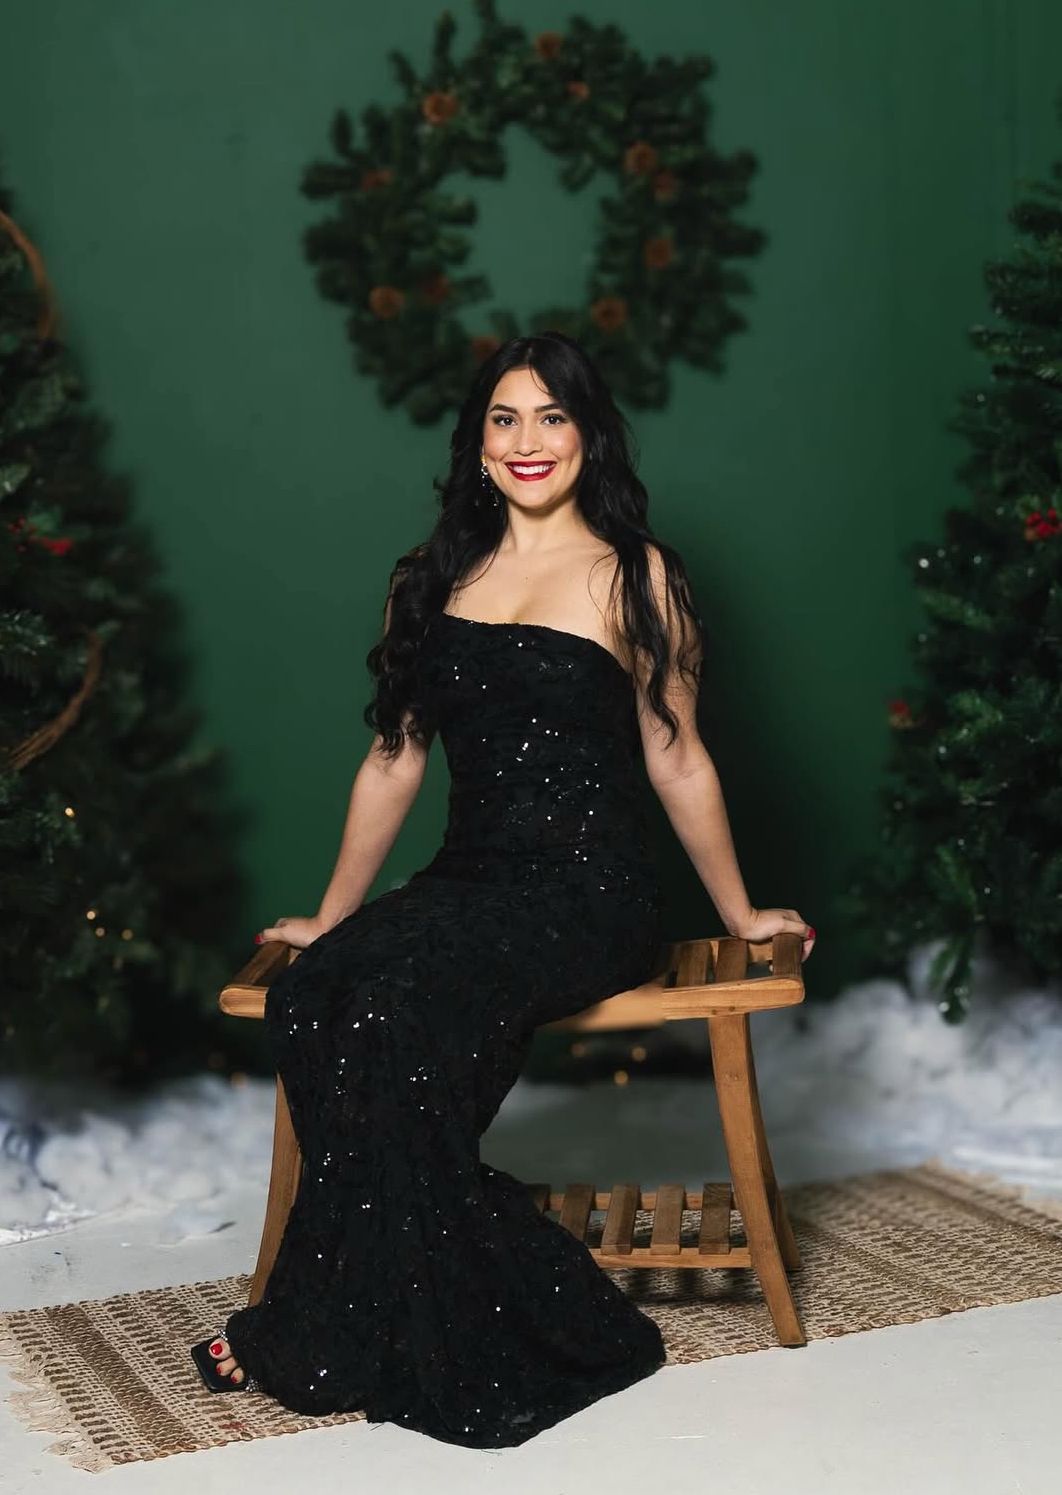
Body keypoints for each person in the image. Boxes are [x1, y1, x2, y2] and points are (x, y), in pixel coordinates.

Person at [189, 330, 815, 1447]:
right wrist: (332, 914)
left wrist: (739, 913)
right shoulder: (428, 582)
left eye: (554, 419)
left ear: (590, 437)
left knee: (394, 1009)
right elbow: (394, 760)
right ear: (477, 445)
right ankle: (383, 1290)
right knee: (325, 990)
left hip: (590, 893)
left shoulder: (638, 576)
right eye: (506, 420)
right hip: (469, 878)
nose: (530, 442)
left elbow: (678, 755)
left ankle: (313, 1324)